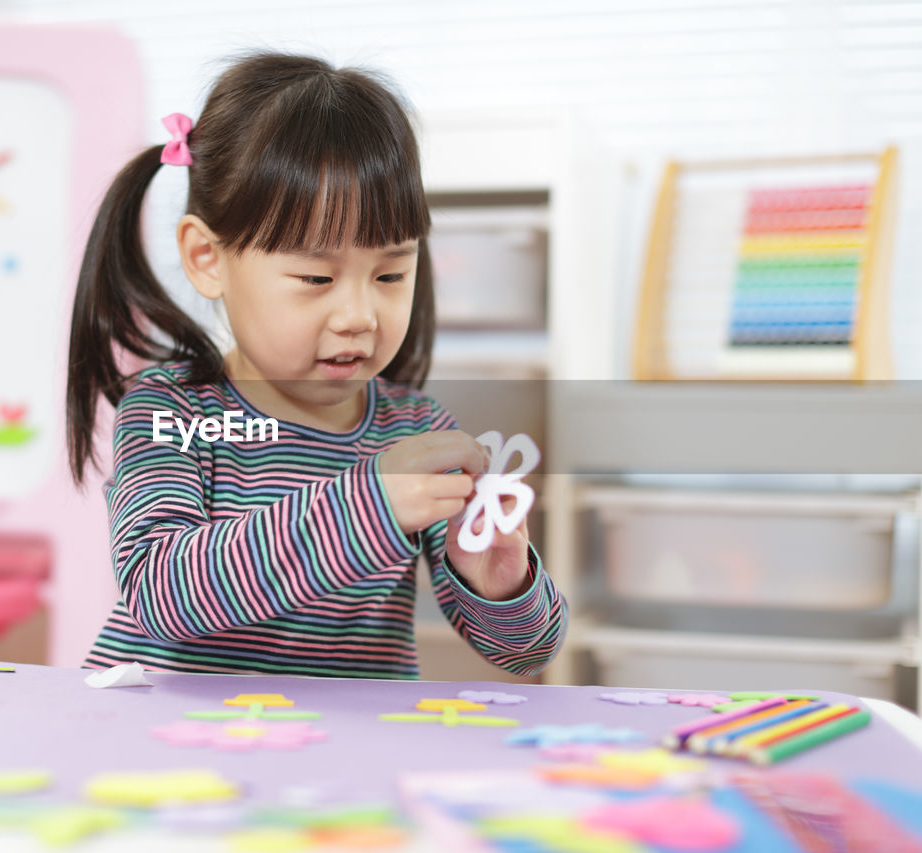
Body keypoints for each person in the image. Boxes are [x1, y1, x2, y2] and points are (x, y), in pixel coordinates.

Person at [67, 50, 566, 678]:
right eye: (315, 275)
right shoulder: (175, 412)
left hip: (338, 759)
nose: (359, 313)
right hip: (172, 752)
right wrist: (368, 504)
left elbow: (528, 652)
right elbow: (163, 596)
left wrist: (501, 581)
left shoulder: (413, 429)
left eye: (390, 272)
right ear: (207, 258)